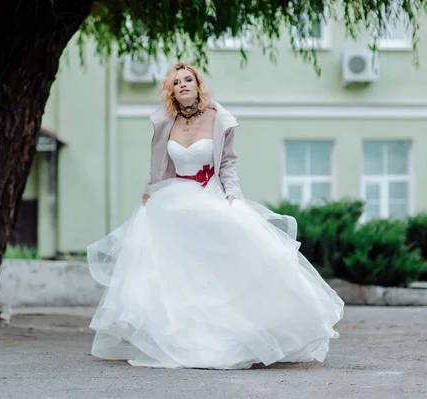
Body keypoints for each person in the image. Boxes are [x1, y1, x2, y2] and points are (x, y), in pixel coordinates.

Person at [87, 62, 344, 369]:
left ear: (198, 85)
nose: (183, 85)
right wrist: (148, 192)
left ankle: (230, 336)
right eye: (176, 82)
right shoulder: (164, 122)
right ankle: (184, 340)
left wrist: (233, 195)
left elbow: (228, 165)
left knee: (227, 264)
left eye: (188, 79)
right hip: (171, 200)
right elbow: (158, 166)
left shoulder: (219, 118)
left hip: (208, 195)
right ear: (171, 91)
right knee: (172, 273)